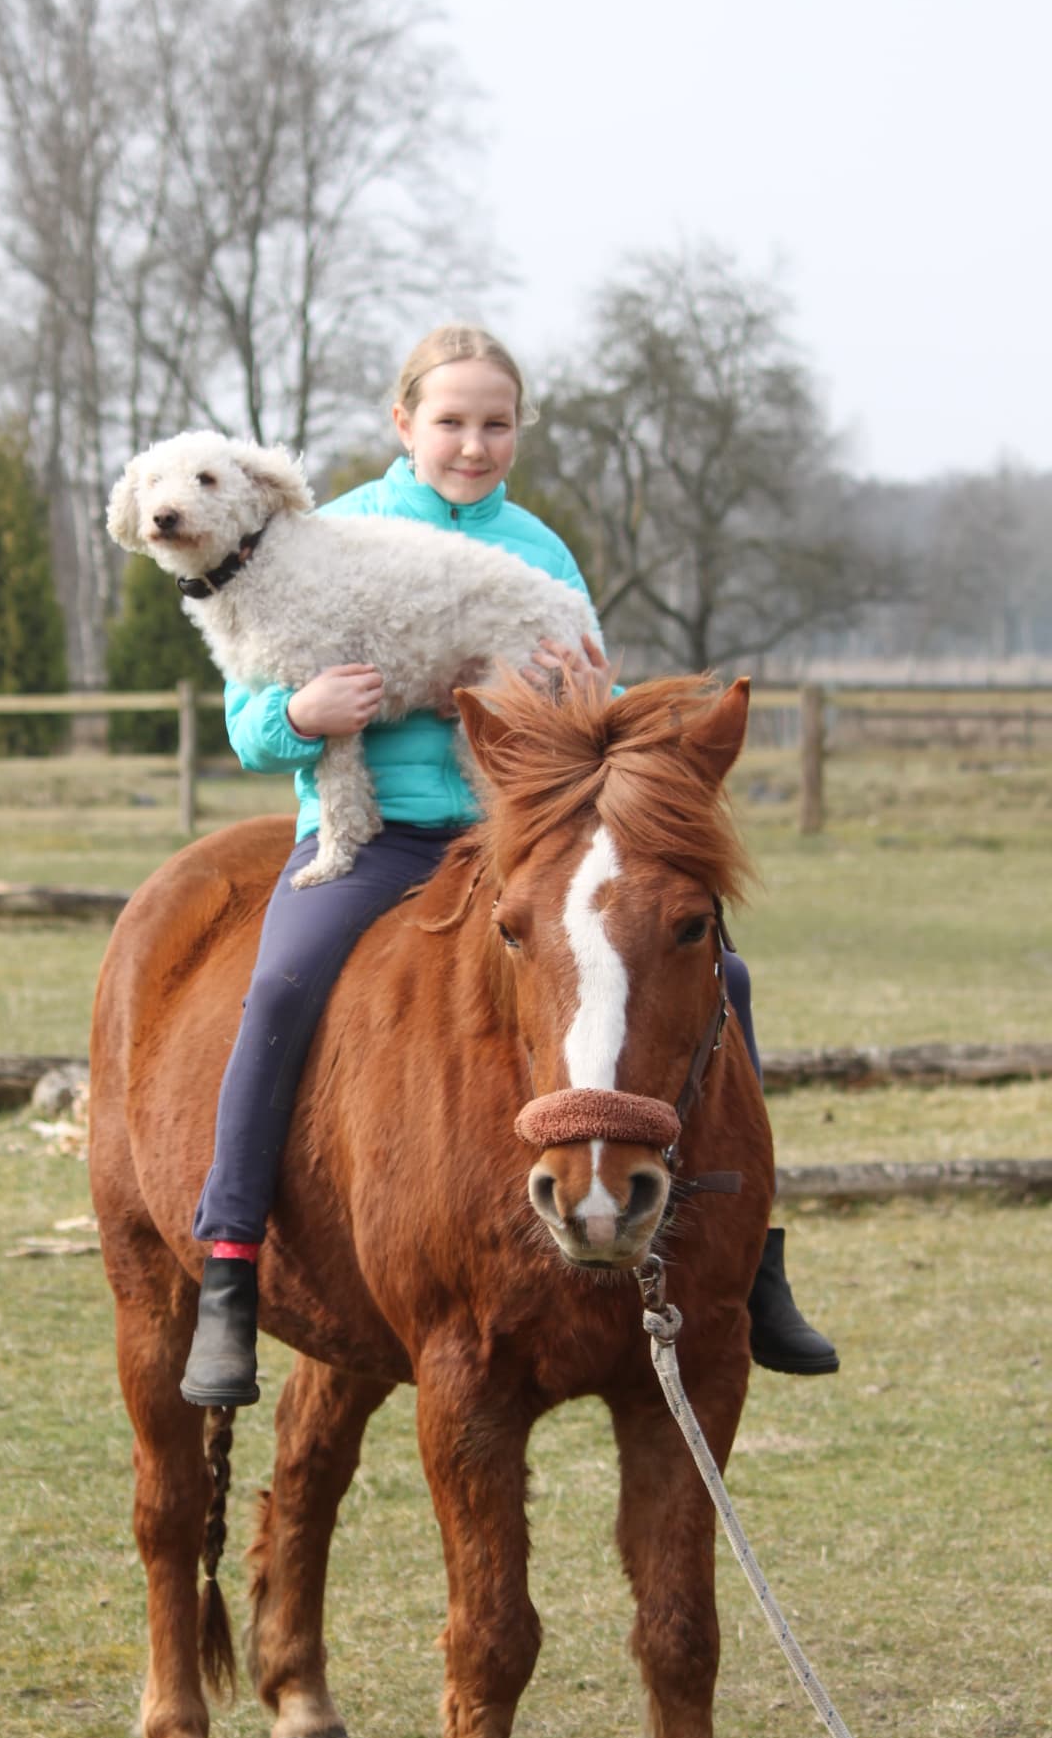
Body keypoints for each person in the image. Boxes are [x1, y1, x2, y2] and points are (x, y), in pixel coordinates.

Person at [181, 324, 837, 1406]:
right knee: (280, 984)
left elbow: (594, 719)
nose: (472, 445)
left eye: (494, 425)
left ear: (517, 432)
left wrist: (567, 701)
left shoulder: (538, 549)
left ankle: (747, 1259)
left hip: (521, 848)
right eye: (449, 422)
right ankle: (229, 1267)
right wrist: (304, 711)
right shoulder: (322, 534)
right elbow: (250, 724)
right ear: (404, 424)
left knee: (721, 974)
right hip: (375, 836)